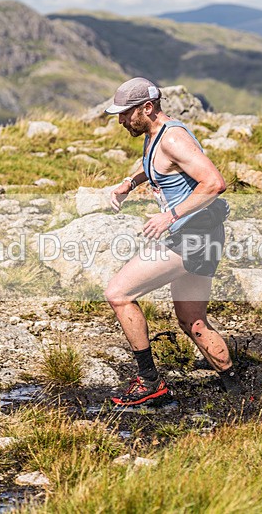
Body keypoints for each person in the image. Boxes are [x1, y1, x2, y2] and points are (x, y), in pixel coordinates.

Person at [103, 77, 243, 406]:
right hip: (203, 235)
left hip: (194, 237)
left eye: (125, 113)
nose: (121, 121)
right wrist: (130, 182)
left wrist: (170, 216)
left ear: (147, 108)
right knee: (192, 320)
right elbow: (158, 166)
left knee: (118, 294)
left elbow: (214, 183)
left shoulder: (173, 138)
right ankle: (237, 391)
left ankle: (149, 381)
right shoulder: (156, 134)